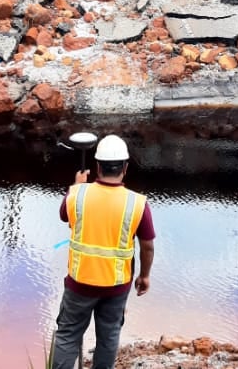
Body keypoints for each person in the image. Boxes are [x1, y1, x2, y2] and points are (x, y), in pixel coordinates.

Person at [51, 134, 155, 369]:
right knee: (108, 338)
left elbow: (63, 215)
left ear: (97, 166)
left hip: (80, 283)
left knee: (67, 336)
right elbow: (147, 244)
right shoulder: (137, 203)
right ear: (125, 168)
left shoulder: (77, 195)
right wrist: (145, 275)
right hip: (116, 287)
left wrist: (76, 186)